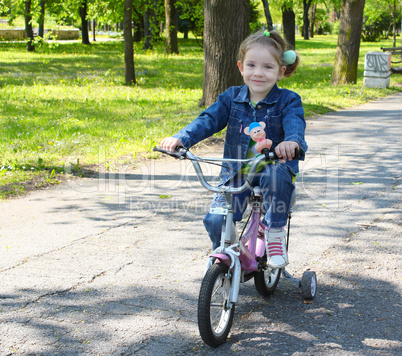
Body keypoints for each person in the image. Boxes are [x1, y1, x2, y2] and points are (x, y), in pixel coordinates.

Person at [159, 30, 307, 269]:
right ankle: (224, 252)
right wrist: (181, 139)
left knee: (276, 176)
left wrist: (292, 142)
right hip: (236, 173)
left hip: (273, 169)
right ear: (241, 66)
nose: (258, 73)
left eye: (268, 67)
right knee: (216, 219)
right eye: (251, 65)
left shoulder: (288, 100)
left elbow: (295, 124)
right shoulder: (231, 98)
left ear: (281, 71)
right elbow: (207, 120)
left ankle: (275, 233)